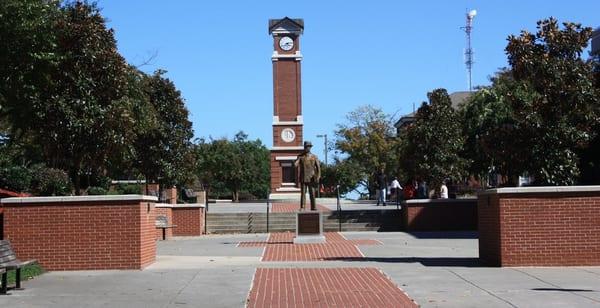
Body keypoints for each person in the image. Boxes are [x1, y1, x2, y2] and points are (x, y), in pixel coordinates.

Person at [295, 141, 321, 210]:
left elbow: (318, 168)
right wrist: (296, 161)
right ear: (304, 147)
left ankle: (314, 207)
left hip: (312, 177)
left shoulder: (314, 157)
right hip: (303, 177)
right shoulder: (300, 156)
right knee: (303, 194)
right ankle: (302, 207)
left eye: (309, 146)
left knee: (312, 193)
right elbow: (295, 165)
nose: (307, 148)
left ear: (310, 147)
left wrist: (318, 177)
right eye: (306, 146)